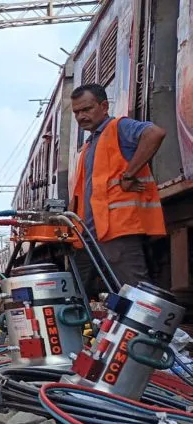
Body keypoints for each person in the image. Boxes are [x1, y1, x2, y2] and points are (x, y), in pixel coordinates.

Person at [69, 83, 168, 293]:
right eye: (77, 112)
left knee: (135, 291)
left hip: (117, 230)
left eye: (87, 109)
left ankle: (149, 325)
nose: (81, 117)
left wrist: (129, 174)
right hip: (89, 234)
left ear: (104, 106)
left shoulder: (119, 127)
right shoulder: (90, 144)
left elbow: (155, 133)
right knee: (76, 294)